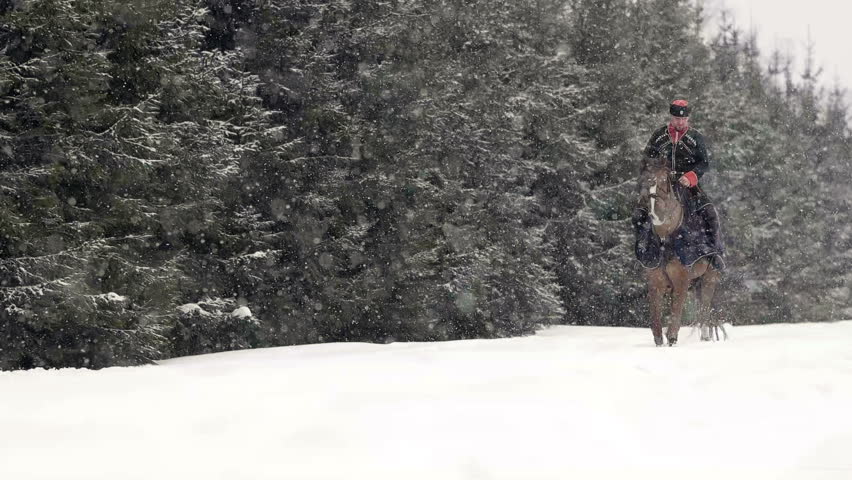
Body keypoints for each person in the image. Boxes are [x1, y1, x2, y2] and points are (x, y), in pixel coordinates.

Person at [634, 99, 725, 269]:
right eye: (676, 118)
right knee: (639, 213)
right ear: (671, 117)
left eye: (683, 119)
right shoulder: (659, 135)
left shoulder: (695, 137)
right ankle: (641, 252)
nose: (680, 122)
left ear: (688, 119)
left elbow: (704, 163)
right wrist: (652, 175)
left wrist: (690, 177)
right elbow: (647, 159)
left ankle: (714, 253)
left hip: (687, 184)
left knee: (710, 212)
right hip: (660, 182)